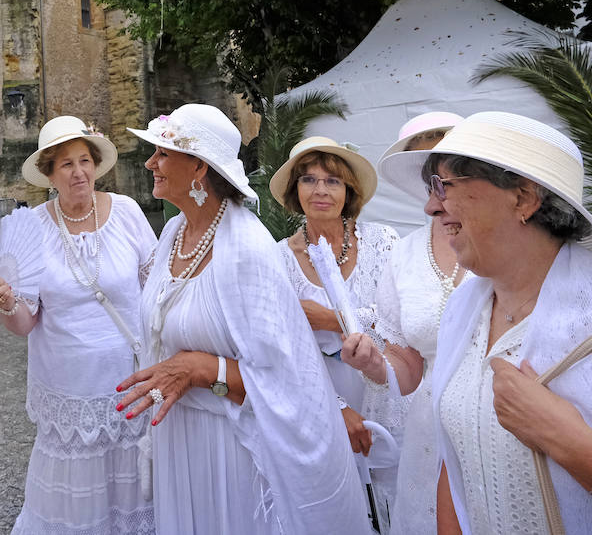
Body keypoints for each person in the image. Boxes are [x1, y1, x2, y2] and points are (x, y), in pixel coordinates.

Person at [378, 110, 592, 534]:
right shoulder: (464, 311)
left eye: (444, 185)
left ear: (524, 198)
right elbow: (455, 467)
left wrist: (570, 443)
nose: (431, 206)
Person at [116, 105, 370, 534]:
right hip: (182, 441)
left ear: (198, 166)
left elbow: (287, 381)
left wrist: (203, 369)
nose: (150, 163)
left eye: (162, 152)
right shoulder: (171, 235)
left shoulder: (247, 248)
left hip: (231, 449)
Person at [0, 116, 156, 535]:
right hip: (70, 390)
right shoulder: (31, 229)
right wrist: (8, 304)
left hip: (130, 380)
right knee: (77, 508)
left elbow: (155, 291)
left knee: (134, 497)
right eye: (66, 164)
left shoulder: (129, 212)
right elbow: (25, 325)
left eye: (85, 160)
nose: (79, 172)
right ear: (48, 173)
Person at [340, 112, 468, 534]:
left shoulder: (509, 241)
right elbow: (409, 366)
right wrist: (374, 364)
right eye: (426, 168)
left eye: (448, 164)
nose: (438, 179)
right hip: (431, 430)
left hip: (507, 416)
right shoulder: (407, 255)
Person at [269, 134, 400, 520]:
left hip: (387, 387)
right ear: (296, 190)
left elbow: (399, 317)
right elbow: (282, 350)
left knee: (394, 499)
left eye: (333, 181)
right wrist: (335, 408)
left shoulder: (383, 242)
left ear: (349, 190)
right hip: (320, 396)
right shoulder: (278, 259)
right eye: (308, 180)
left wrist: (329, 319)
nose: (320, 190)